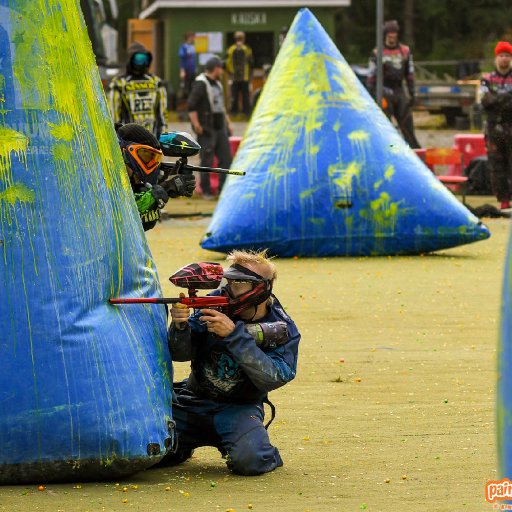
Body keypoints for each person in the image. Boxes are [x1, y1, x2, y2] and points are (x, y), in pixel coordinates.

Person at [155, 249, 301, 475]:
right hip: (193, 400)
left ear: (262, 288)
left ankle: (257, 447)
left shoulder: (282, 327)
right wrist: (180, 327)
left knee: (251, 461)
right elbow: (181, 354)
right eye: (229, 280)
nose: (230, 289)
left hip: (239, 409)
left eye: (240, 283)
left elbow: (274, 377)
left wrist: (234, 335)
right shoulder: (215, 303)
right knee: (148, 446)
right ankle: (180, 448)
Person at [116, 123, 196, 231]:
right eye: (145, 157)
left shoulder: (128, 178)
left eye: (154, 159)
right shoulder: (105, 175)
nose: (149, 164)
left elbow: (145, 223)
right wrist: (164, 189)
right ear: (125, 153)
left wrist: (165, 185)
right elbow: (125, 212)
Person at [367, 20, 421, 149]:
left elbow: (410, 73)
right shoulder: (377, 52)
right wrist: (371, 95)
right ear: (385, 36)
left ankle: (415, 152)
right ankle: (388, 150)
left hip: (399, 90)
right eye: (389, 36)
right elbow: (371, 76)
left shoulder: (405, 51)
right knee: (386, 127)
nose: (392, 39)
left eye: (394, 36)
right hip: (384, 91)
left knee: (407, 125)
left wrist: (412, 93)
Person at [187, 56, 233, 200]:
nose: (222, 70)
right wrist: (196, 125)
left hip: (220, 127)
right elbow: (191, 106)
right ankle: (206, 191)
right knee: (206, 160)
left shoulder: (217, 84)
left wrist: (228, 122)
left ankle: (222, 189)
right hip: (206, 128)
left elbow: (221, 106)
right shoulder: (201, 83)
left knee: (226, 159)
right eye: (220, 67)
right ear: (216, 68)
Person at [109, 42, 167, 139]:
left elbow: (162, 114)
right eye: (138, 59)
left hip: (153, 143)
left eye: (144, 59)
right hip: (128, 142)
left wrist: (163, 137)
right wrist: (117, 139)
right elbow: (113, 115)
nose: (142, 63)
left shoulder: (156, 82)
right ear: (130, 60)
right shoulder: (119, 84)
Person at [480, 41, 512, 210]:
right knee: (496, 165)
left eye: (507, 55)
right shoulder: (487, 79)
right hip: (493, 129)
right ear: (496, 58)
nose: (504, 59)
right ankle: (503, 200)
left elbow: (493, 100)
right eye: (501, 55)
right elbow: (484, 101)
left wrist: (496, 98)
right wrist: (506, 97)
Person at [225, 31, 253, 117]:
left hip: (234, 77)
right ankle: (246, 113)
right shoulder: (247, 49)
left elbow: (227, 62)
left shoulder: (231, 49)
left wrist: (230, 71)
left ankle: (234, 113)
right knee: (245, 96)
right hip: (244, 77)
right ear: (243, 39)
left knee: (234, 96)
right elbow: (251, 62)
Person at [178, 32, 197, 99]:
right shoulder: (183, 47)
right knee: (186, 88)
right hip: (186, 71)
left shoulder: (192, 46)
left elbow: (193, 58)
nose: (192, 38)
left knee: (193, 87)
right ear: (188, 38)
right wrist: (182, 70)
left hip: (192, 70)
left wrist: (195, 68)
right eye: (191, 37)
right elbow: (182, 58)